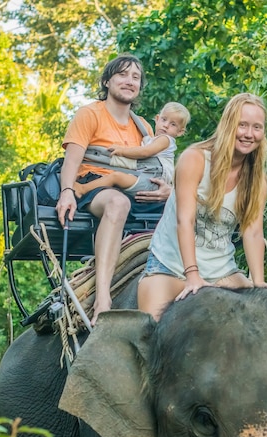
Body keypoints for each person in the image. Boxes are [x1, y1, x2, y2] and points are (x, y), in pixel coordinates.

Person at [114, 92, 267, 437]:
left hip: (223, 270)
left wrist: (258, 283)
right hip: (174, 266)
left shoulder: (254, 172)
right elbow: (185, 219)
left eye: (257, 127)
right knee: (150, 342)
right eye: (243, 124)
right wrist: (192, 275)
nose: (249, 133)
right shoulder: (196, 157)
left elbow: (252, 230)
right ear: (229, 123)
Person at [55, 53, 172, 326]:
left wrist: (168, 190)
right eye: (122, 74)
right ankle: (103, 298)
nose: (129, 81)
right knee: (118, 202)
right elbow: (72, 160)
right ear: (107, 81)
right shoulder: (90, 113)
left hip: (135, 187)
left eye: (135, 77)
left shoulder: (142, 124)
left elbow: (159, 166)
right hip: (95, 187)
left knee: (188, 204)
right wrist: (67, 192)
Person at [73, 102, 190, 198]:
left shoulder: (165, 140)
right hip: (148, 179)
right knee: (118, 178)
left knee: (116, 177)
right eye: (164, 120)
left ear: (180, 132)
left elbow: (145, 152)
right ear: (157, 119)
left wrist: (122, 150)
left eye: (173, 124)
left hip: (152, 182)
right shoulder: (151, 139)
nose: (166, 125)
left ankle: (83, 189)